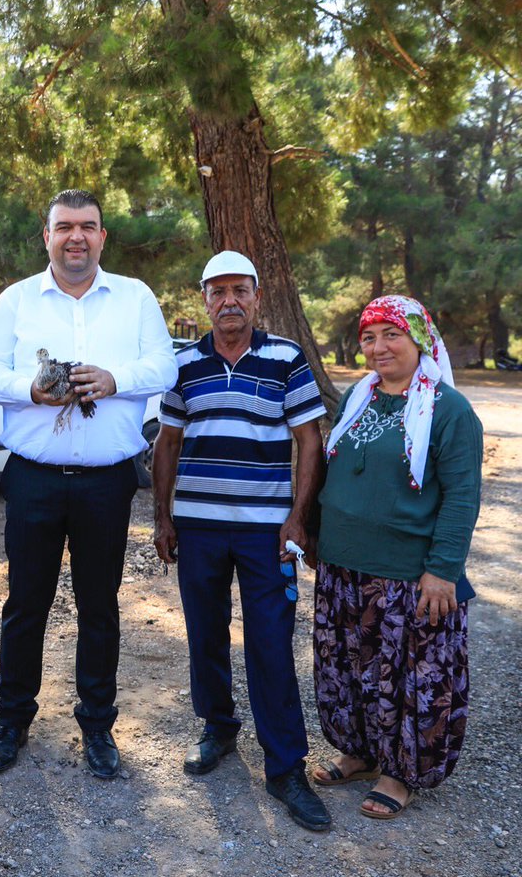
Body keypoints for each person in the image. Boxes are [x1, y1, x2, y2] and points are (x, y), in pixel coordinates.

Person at [0, 189, 176, 778]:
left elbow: (165, 366)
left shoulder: (135, 297)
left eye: (88, 226)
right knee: (24, 605)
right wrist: (29, 391)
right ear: (48, 236)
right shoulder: (17, 300)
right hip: (33, 478)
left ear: (103, 237)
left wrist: (117, 379)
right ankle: (12, 721)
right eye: (65, 227)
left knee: (99, 606)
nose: (76, 237)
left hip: (107, 483)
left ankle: (97, 726)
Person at [152, 251, 331, 832]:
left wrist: (298, 519)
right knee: (205, 634)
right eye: (217, 291)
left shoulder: (286, 358)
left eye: (240, 290)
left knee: (271, 643)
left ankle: (286, 767)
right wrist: (163, 517)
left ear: (257, 296)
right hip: (198, 526)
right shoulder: (182, 364)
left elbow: (309, 440)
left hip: (266, 531)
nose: (229, 301)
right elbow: (168, 444)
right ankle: (218, 728)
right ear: (202, 299)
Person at [312, 295, 482, 820]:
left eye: (392, 334)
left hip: (409, 577)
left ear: (420, 340)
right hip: (342, 567)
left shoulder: (449, 410)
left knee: (406, 679)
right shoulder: (358, 397)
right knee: (349, 668)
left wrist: (442, 570)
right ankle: (361, 753)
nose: (379, 347)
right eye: (369, 337)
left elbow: (461, 495)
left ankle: (400, 772)